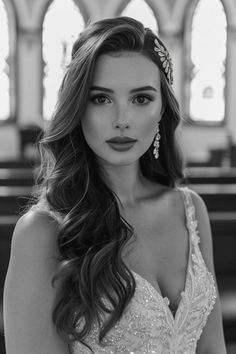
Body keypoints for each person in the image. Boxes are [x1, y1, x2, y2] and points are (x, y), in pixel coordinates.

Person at [4, 17, 226, 354]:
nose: (122, 119)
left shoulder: (190, 209)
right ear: (77, 109)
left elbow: (213, 348)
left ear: (161, 109)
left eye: (140, 99)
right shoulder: (41, 233)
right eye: (101, 99)